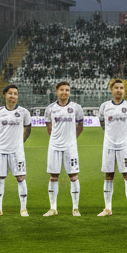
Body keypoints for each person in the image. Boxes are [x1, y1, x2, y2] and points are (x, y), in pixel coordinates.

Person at [98, 79, 127, 217]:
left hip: (125, 146)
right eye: (116, 87)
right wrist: (111, 135)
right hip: (109, 145)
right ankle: (108, 208)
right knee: (108, 175)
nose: (119, 90)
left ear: (124, 90)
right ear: (111, 89)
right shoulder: (104, 106)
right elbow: (102, 123)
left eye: (121, 88)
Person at [43, 81, 84, 217]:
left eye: (67, 90)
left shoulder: (76, 107)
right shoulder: (50, 108)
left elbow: (80, 126)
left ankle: (75, 208)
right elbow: (49, 126)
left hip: (70, 147)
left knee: (73, 176)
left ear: (69, 92)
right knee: (53, 176)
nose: (64, 92)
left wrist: (71, 139)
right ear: (57, 92)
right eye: (61, 90)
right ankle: (53, 208)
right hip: (54, 146)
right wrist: (55, 138)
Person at [0, 85, 32, 217]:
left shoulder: (24, 112)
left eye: (15, 94)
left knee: (20, 178)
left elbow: (28, 128)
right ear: (5, 95)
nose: (13, 96)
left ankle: (23, 209)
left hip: (17, 151)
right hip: (1, 150)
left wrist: (20, 142)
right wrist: (2, 141)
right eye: (10, 93)